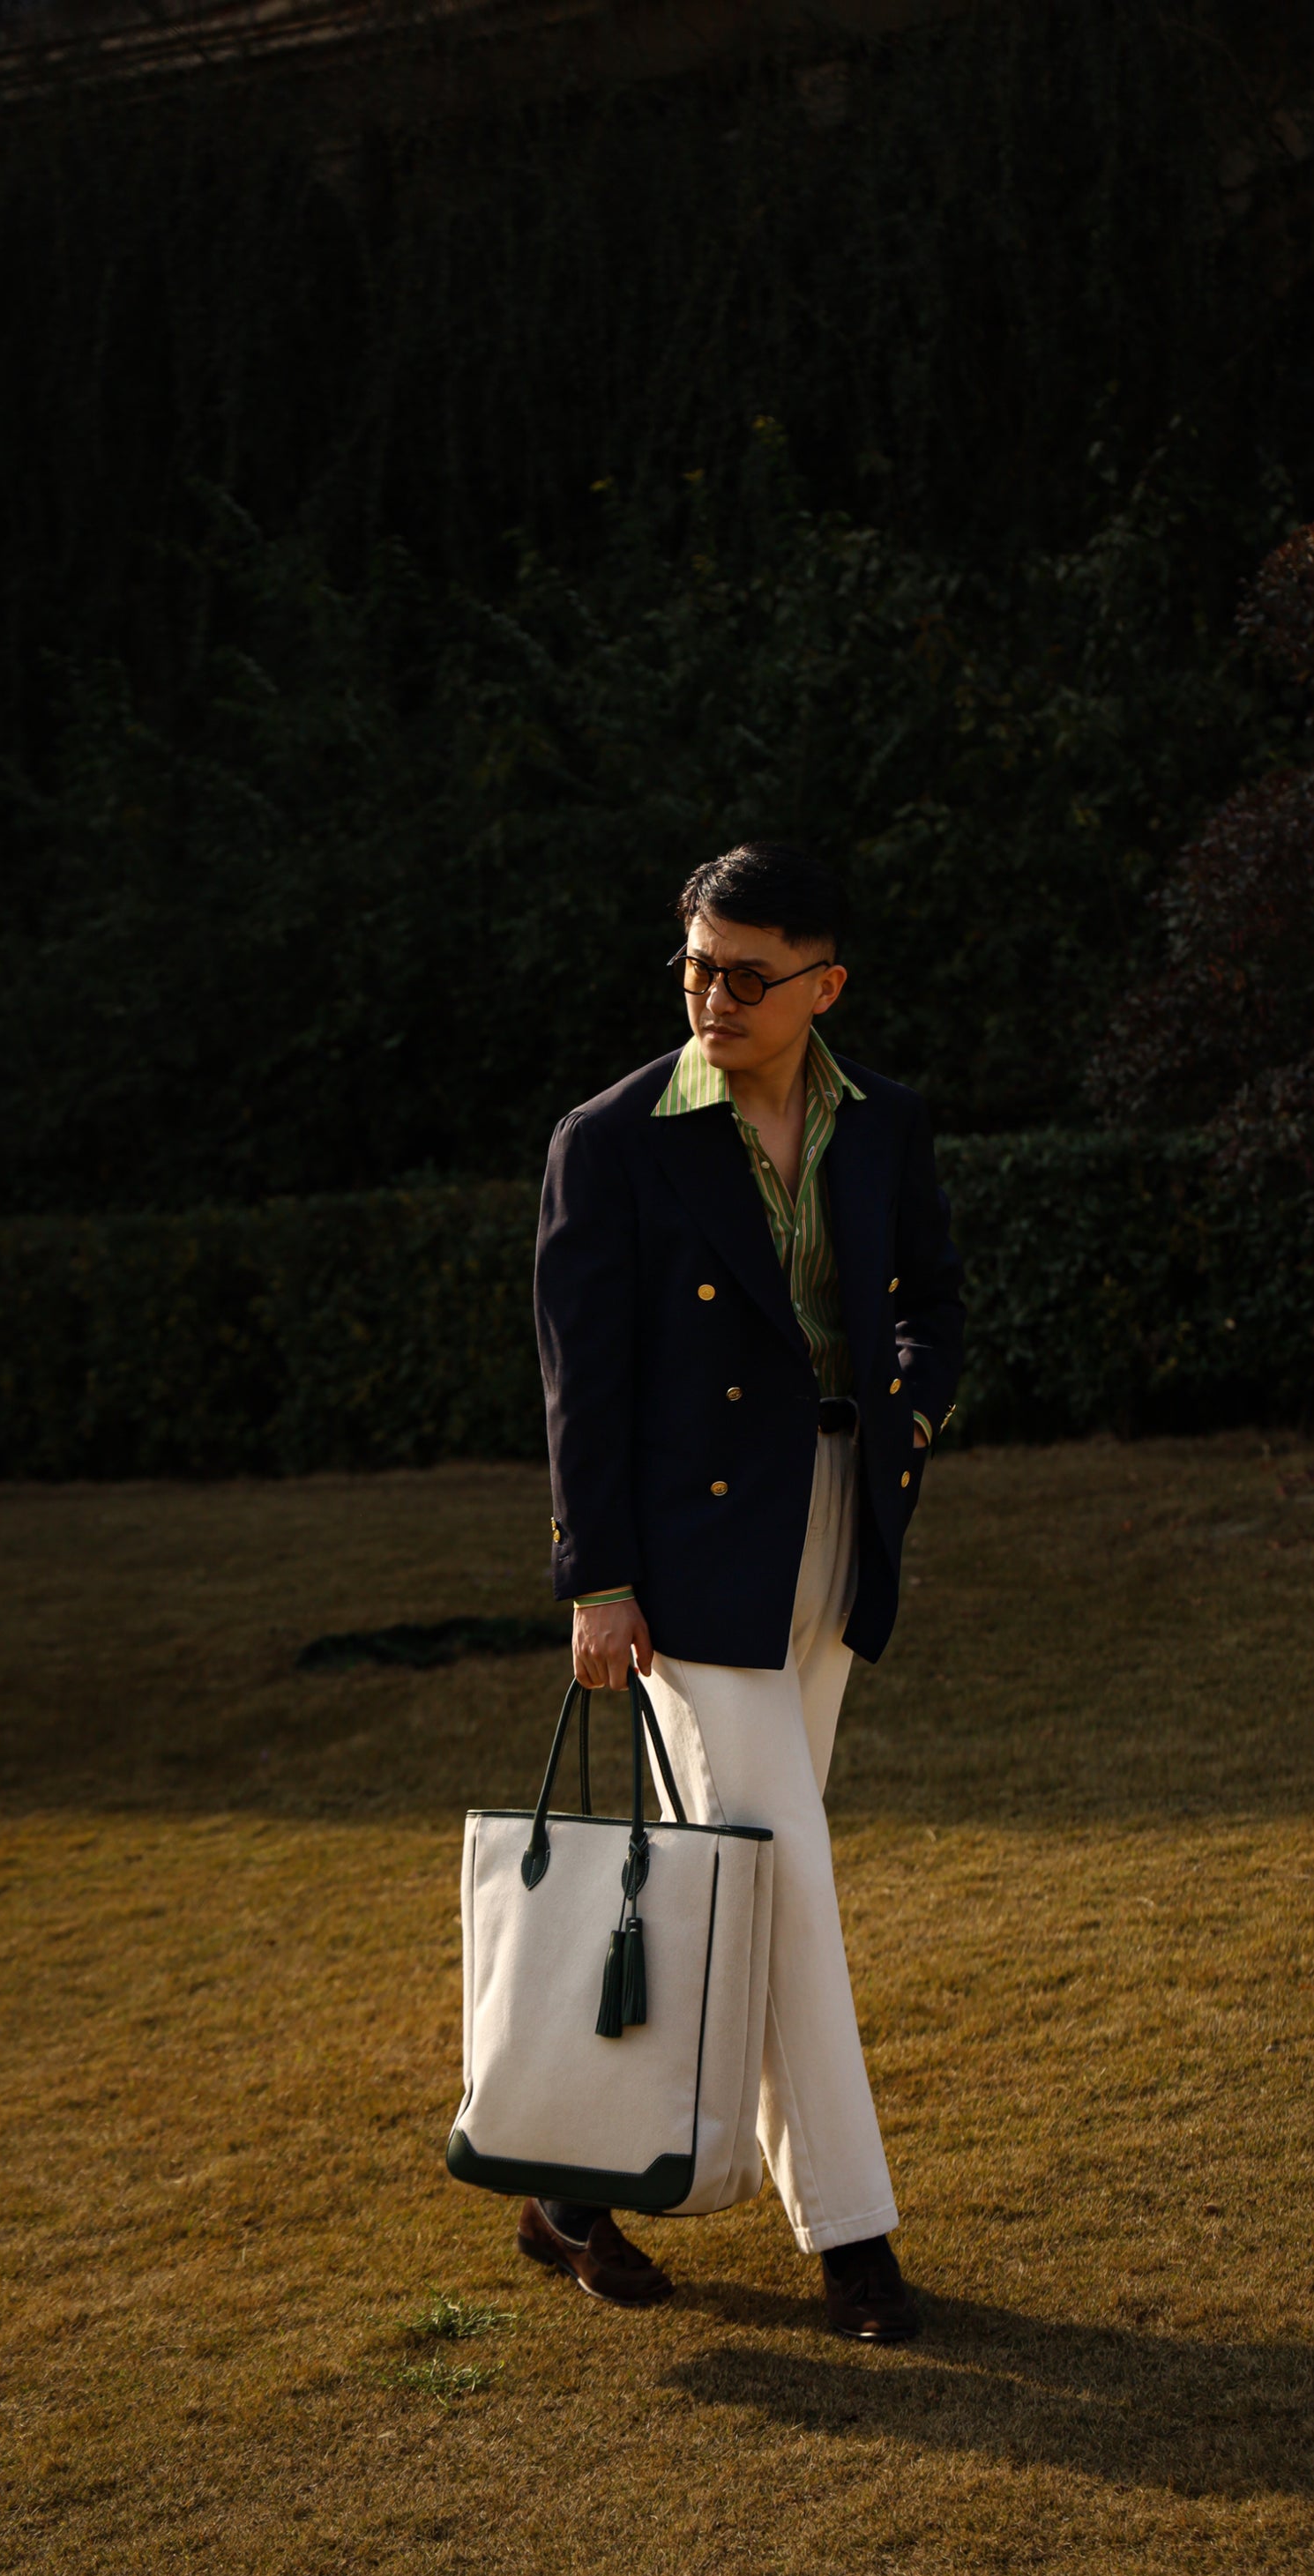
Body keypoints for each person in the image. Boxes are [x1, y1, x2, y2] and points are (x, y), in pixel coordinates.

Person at [525, 842, 964, 2340]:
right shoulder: (612, 1138)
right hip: (690, 1562)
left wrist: (910, 1412)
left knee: (733, 1891)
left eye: (746, 973)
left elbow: (929, 1302)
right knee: (786, 1875)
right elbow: (581, 1383)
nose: (712, 994)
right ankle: (852, 2232)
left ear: (823, 984)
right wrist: (596, 1577)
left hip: (837, 1524)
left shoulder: (882, 1119)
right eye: (696, 965)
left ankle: (568, 2185)